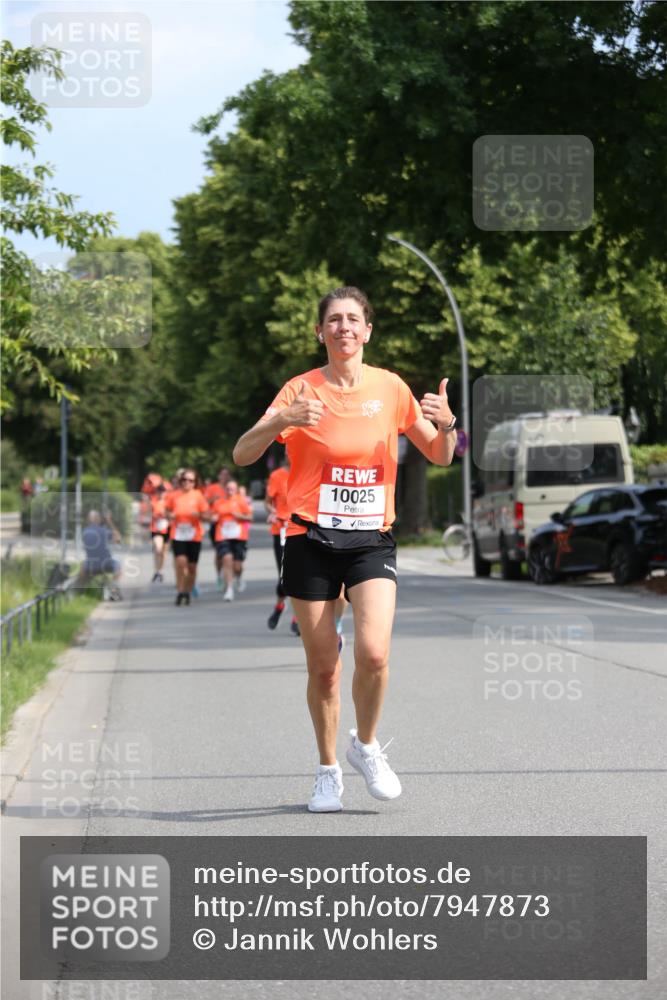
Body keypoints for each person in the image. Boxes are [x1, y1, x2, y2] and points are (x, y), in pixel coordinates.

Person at [233, 286, 456, 812]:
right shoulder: (299, 389)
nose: (344, 328)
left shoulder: (391, 387)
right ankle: (327, 769)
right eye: (334, 320)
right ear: (320, 332)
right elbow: (243, 454)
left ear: (368, 331)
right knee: (325, 667)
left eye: (354, 319)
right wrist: (279, 421)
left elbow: (441, 454)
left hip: (369, 540)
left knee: (374, 653)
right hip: (309, 536)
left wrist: (448, 423)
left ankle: (367, 745)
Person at [265, 457, 300, 635]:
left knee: (300, 575)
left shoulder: (307, 469)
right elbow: (267, 503)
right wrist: (274, 513)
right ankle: (280, 606)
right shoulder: (277, 476)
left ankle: (297, 619)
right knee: (285, 575)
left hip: (302, 529)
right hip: (281, 530)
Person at [164, 469, 209, 606]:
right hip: (178, 534)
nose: (187, 483)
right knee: (181, 563)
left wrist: (199, 516)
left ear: (195, 483)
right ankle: (181, 591)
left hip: (194, 535)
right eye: (184, 480)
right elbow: (167, 510)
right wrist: (169, 515)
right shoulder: (174, 495)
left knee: (192, 567)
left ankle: (187, 591)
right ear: (180, 481)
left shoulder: (198, 496)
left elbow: (207, 516)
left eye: (191, 480)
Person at [211, 479, 253, 601]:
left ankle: (238, 577)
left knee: (237, 566)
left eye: (232, 489)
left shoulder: (241, 501)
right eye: (228, 489)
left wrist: (240, 516)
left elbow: (250, 517)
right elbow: (212, 516)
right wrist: (213, 518)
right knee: (226, 559)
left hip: (239, 536)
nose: (230, 491)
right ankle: (229, 588)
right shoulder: (219, 502)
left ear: (236, 490)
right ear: (225, 490)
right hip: (223, 535)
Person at [80, 509, 122, 599]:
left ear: (88, 520)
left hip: (90, 567)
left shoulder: (84, 532)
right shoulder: (104, 531)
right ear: (98, 519)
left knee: (82, 565)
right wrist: (109, 521)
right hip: (107, 565)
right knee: (119, 563)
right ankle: (113, 591)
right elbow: (118, 538)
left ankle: (82, 592)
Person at [205, 466, 231, 590]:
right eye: (222, 474)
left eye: (227, 475)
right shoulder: (212, 488)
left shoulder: (231, 488)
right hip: (216, 523)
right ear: (219, 476)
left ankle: (229, 575)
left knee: (229, 552)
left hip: (231, 524)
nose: (224, 477)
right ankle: (219, 575)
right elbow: (204, 504)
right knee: (219, 552)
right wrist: (212, 500)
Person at [149, 482, 170, 582]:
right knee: (158, 549)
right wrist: (155, 516)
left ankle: (159, 571)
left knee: (163, 552)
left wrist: (167, 515)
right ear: (157, 492)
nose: (161, 493)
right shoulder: (153, 502)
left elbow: (173, 514)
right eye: (160, 491)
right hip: (156, 529)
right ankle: (157, 570)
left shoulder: (169, 502)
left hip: (167, 529)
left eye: (163, 491)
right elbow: (147, 514)